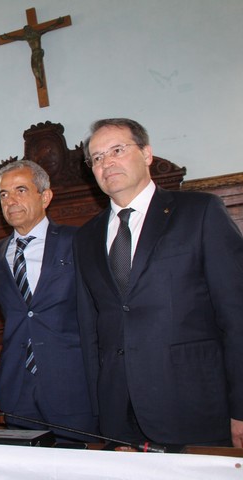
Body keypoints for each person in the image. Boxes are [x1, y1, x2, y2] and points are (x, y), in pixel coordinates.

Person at [74, 118, 243, 448]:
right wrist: (100, 412)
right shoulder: (86, 237)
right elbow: (90, 328)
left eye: (117, 150)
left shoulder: (199, 212)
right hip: (119, 412)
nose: (107, 163)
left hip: (194, 406)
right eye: (97, 158)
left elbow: (237, 315)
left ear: (147, 154)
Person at [0, 160, 97, 441]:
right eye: (3, 194)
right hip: (18, 386)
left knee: (74, 461)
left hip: (72, 383)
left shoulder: (77, 240)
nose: (10, 201)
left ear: (45, 196)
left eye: (20, 190)